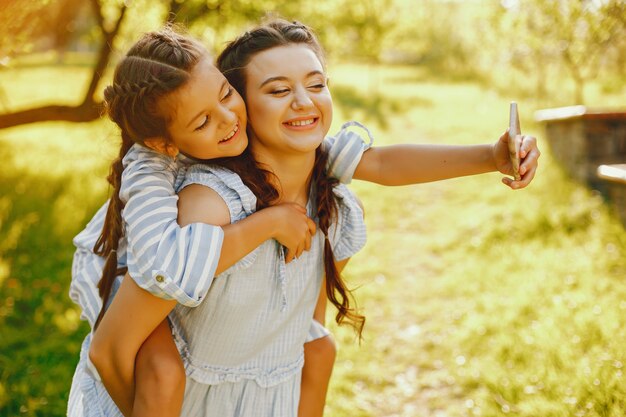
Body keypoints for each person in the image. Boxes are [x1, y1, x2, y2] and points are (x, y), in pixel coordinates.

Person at [69, 20, 540, 417]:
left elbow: (385, 164)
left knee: (319, 348)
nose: (304, 102)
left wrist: (492, 156)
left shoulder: (327, 192)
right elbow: (112, 349)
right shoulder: (208, 206)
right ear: (249, 106)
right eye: (277, 90)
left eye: (316, 84)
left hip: (262, 400)